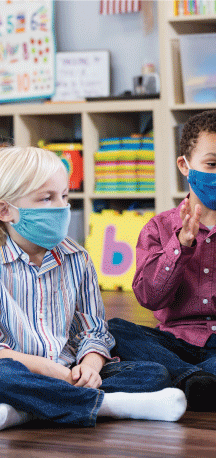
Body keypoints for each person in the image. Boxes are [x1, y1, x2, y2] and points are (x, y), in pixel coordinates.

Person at [0, 146, 186, 430]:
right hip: (20, 370)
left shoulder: (78, 258)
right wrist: (51, 371)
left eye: (64, 196)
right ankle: (108, 407)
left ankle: (25, 410)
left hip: (70, 371)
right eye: (46, 198)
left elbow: (94, 330)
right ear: (5, 210)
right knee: (4, 375)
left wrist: (90, 366)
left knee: (153, 374)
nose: (61, 207)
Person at [108, 110, 216, 411]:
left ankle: (172, 382)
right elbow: (149, 297)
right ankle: (200, 383)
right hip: (174, 342)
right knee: (114, 330)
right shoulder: (159, 228)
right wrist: (180, 247)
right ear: (184, 166)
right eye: (212, 164)